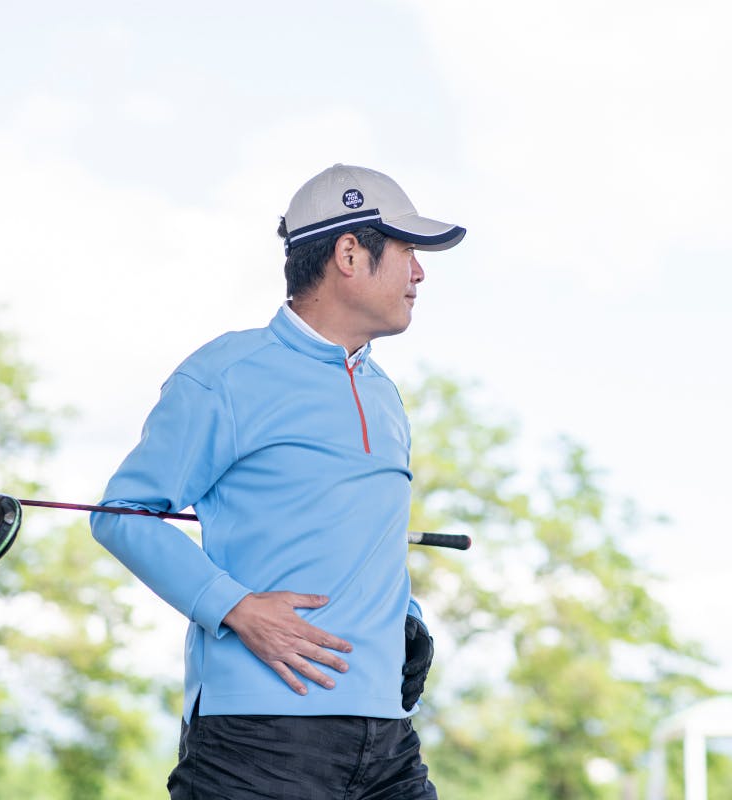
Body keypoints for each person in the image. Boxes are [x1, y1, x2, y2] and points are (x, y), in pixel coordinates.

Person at [91, 163, 465, 799]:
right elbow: (122, 514)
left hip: (389, 740)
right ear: (350, 253)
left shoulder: (384, 393)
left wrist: (407, 617)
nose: (420, 273)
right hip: (258, 740)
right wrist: (235, 607)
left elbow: (365, 538)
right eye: (407, 251)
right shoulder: (225, 375)